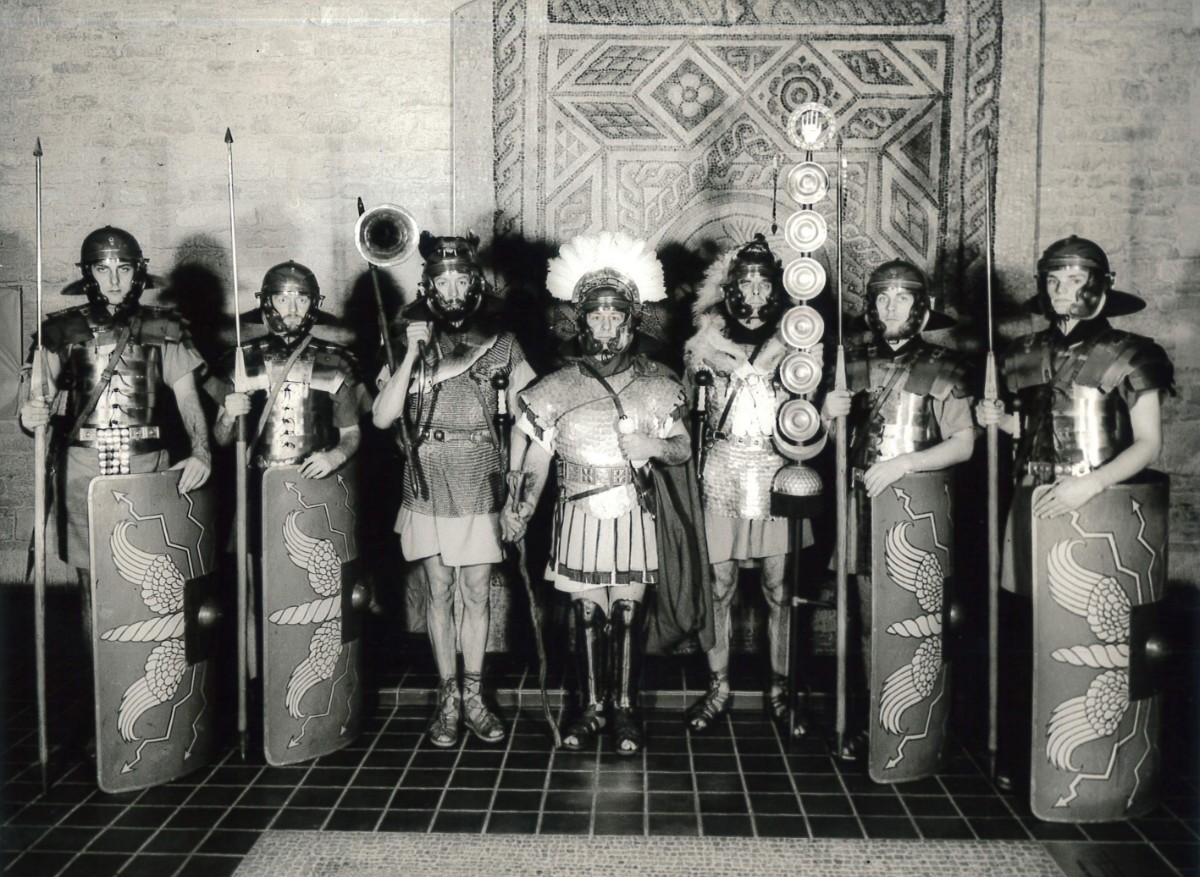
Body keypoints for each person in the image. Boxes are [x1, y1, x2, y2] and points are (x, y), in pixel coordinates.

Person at [975, 235, 1173, 792]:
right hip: (1031, 501)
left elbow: (1147, 445)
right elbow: (1035, 434)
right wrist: (1000, 421)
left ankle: (1089, 757)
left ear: (1100, 288)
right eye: (1053, 281)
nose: (1062, 292)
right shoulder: (1021, 353)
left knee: (1088, 631)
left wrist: (1089, 485)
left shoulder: (1133, 353)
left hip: (1098, 510)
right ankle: (1023, 751)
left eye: (1073, 281)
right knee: (1027, 625)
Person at [502, 231, 705, 756]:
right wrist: (521, 506)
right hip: (578, 512)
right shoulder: (556, 385)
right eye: (598, 316)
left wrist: (653, 443)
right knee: (587, 614)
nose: (607, 326)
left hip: (633, 512)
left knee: (628, 614)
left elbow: (684, 450)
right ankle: (592, 709)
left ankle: (626, 711)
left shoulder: (659, 383)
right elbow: (539, 454)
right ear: (583, 319)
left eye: (617, 317)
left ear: (632, 319)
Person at [19, 226, 212, 752]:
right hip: (85, 463)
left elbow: (189, 397)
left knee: (158, 588)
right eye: (103, 269)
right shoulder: (61, 331)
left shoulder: (164, 328)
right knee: (95, 588)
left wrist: (202, 450)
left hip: (149, 464)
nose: (114, 279)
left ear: (139, 272)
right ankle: (107, 700)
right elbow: (32, 396)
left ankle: (159, 698)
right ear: (88, 274)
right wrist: (30, 411)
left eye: (124, 268)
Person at [373, 232, 535, 748]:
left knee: (475, 592)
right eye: (442, 280)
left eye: (461, 278)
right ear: (428, 284)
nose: (452, 288)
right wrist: (410, 354)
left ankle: (474, 694)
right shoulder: (408, 338)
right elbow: (381, 418)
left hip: (478, 477)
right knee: (437, 591)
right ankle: (448, 696)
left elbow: (532, 418)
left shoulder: (502, 341)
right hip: (425, 478)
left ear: (476, 282)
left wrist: (517, 485)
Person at [821, 259, 976, 760]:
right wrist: (828, 416)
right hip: (858, 502)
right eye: (882, 299)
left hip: (915, 509)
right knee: (867, 617)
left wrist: (906, 463)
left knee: (913, 614)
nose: (890, 307)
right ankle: (871, 716)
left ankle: (915, 719)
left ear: (921, 309)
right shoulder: (849, 362)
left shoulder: (945, 367)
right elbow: (826, 442)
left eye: (901, 299)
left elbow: (963, 443)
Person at [682, 235, 815, 735]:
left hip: (778, 469)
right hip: (720, 472)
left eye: (764, 284)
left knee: (781, 587)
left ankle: (781, 691)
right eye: (746, 284)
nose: (755, 294)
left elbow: (811, 414)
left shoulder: (798, 338)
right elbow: (691, 417)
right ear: (730, 286)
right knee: (719, 586)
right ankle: (718, 687)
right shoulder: (703, 345)